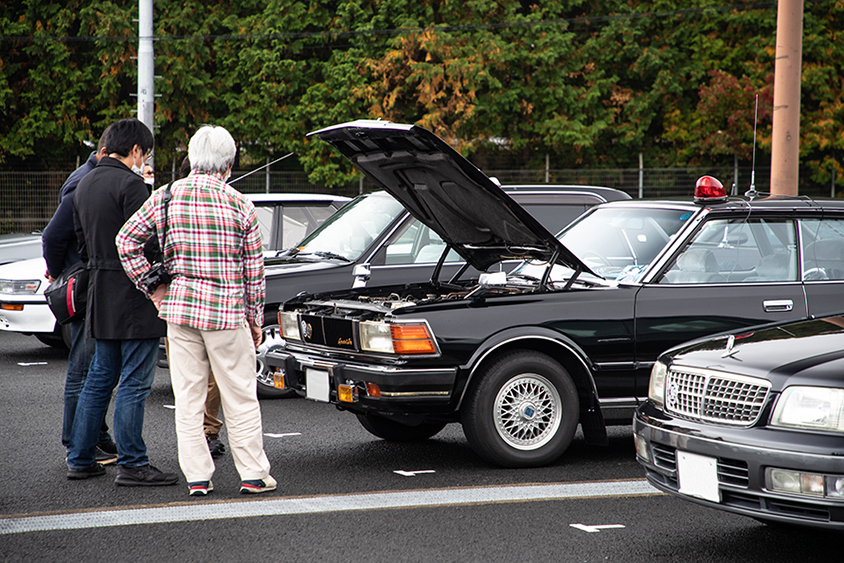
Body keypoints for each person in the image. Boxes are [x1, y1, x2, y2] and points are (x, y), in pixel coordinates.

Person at [117, 125, 275, 496]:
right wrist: (255, 321)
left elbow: (126, 241)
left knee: (187, 399)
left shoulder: (166, 196)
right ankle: (253, 474)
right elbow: (254, 273)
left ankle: (198, 478)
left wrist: (153, 286)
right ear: (229, 164)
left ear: (191, 158)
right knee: (240, 395)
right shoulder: (240, 204)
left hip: (181, 312)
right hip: (226, 314)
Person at [66, 118, 177, 487]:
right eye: (144, 153)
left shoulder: (84, 185)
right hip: (133, 293)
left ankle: (80, 457)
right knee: (134, 381)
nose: (143, 159)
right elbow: (145, 242)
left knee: (99, 378)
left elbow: (81, 245)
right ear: (134, 150)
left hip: (99, 289)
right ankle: (133, 462)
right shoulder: (133, 185)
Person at [42, 128, 118, 465]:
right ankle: (78, 441)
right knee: (84, 370)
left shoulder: (87, 176)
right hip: (84, 289)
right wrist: (61, 270)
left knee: (94, 369)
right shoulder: (84, 181)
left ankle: (94, 436)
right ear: (105, 151)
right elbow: (53, 235)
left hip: (85, 285)